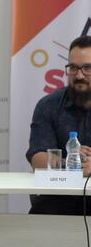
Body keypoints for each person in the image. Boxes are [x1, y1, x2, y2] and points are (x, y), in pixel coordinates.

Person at [27, 35, 91, 214]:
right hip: (59, 198)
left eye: (87, 68)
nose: (79, 75)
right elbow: (37, 158)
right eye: (73, 68)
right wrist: (70, 163)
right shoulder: (48, 105)